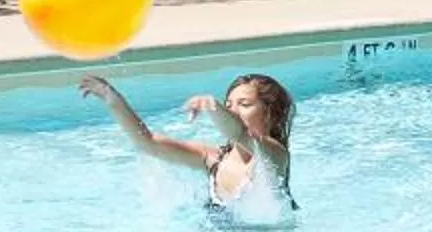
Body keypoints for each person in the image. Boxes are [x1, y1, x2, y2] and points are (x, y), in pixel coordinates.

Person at [80, 72, 296, 210]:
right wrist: (112, 98)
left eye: (245, 104)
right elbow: (148, 143)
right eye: (228, 104)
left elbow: (240, 134)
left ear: (269, 114)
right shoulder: (212, 159)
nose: (233, 110)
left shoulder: (274, 156)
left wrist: (212, 105)